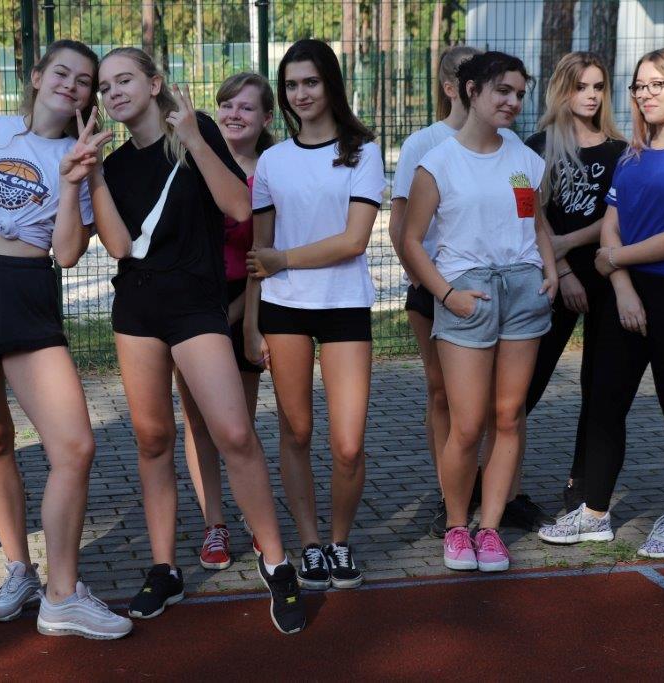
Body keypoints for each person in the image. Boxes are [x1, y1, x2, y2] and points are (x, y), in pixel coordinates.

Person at [64, 46, 305, 634]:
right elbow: (119, 247)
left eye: (125, 80)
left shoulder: (198, 134)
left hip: (196, 308)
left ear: (154, 84)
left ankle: (277, 563)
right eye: (105, 87)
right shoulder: (114, 165)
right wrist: (92, 176)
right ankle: (165, 567)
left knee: (234, 433)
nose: (114, 93)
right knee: (153, 440)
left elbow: (239, 207)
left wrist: (195, 139)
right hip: (137, 310)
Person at [0, 39, 132, 639]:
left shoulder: (79, 155)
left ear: (89, 97)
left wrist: (73, 179)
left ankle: (62, 595)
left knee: (75, 446)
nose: (71, 85)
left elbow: (66, 254)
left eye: (84, 81)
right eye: (61, 72)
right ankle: (19, 570)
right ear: (37, 76)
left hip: (27, 293)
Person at [538, 47, 664, 559]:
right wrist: (621, 284)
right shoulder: (633, 155)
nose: (645, 94)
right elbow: (612, 223)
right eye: (640, 85)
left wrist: (614, 259)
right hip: (625, 293)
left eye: (657, 84)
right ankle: (595, 514)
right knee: (604, 403)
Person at [402, 51, 557, 573]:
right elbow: (411, 241)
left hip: (524, 292)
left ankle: (489, 529)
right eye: (503, 91)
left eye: (520, 94)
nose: (513, 102)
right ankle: (456, 526)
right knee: (467, 425)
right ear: (471, 90)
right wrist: (448, 296)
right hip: (468, 295)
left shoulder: (525, 158)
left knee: (508, 416)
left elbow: (536, 225)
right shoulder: (438, 161)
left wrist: (551, 270)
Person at [243, 39, 383, 591]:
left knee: (348, 444)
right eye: (291, 85)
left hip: (345, 306)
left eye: (311, 82)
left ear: (331, 85)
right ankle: (310, 544)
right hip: (284, 309)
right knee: (296, 432)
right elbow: (259, 254)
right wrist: (251, 323)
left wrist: (285, 259)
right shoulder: (272, 161)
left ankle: (340, 541)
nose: (300, 94)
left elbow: (354, 241)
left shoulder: (362, 151)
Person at [176, 72, 274, 570]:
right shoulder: (192, 160)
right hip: (193, 303)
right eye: (227, 105)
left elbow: (262, 257)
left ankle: (257, 521)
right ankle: (214, 524)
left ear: (266, 118)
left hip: (243, 304)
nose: (234, 114)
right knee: (198, 423)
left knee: (237, 428)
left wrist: (241, 319)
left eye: (246, 107)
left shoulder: (271, 171)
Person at [523, 52, 625, 512]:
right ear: (561, 90)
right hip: (552, 279)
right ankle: (485, 482)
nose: (590, 95)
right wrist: (561, 266)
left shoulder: (620, 151)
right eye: (581, 86)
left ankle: (580, 483)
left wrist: (568, 242)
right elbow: (530, 214)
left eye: (598, 87)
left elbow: (618, 217)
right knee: (525, 386)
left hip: (606, 276)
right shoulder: (538, 147)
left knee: (599, 386)